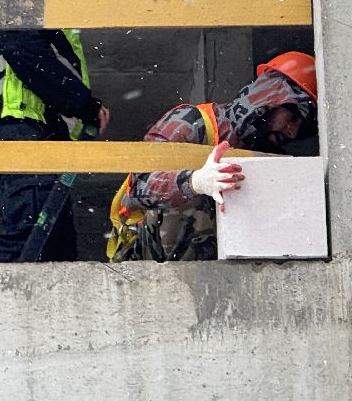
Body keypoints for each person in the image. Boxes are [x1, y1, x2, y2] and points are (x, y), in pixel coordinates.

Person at [0, 0, 127, 262]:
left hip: (36, 137)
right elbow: (24, 50)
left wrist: (82, 108)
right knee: (30, 238)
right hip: (15, 129)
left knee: (55, 249)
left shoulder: (51, 9)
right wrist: (83, 103)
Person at [108, 51, 317, 262]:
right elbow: (140, 186)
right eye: (291, 117)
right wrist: (194, 182)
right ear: (269, 98)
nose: (292, 132)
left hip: (226, 264)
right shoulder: (191, 123)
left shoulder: (272, 156)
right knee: (190, 196)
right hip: (149, 258)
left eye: (301, 128)